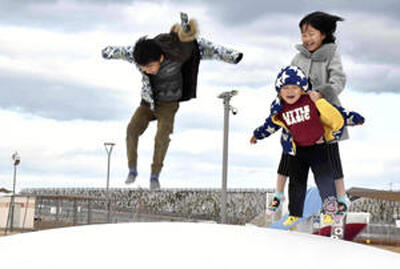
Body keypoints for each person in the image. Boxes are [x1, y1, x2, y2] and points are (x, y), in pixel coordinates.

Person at [102, 14, 243, 190]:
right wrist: (107, 52)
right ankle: (132, 169)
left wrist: (233, 56)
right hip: (148, 103)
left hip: (168, 105)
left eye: (150, 67)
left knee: (162, 135)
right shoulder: (143, 54)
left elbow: (209, 49)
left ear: (161, 58)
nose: (148, 71)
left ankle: (155, 174)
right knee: (131, 129)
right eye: (143, 69)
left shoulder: (181, 53)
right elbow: (123, 52)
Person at [250, 65, 364, 225]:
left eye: (294, 88)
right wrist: (258, 134)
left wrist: (353, 118)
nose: (290, 92)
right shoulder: (279, 108)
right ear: (279, 91)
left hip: (318, 148)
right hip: (298, 150)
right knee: (296, 183)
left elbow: (335, 113)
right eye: (285, 88)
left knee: (324, 180)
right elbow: (270, 125)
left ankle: (329, 211)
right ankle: (294, 213)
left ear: (302, 88)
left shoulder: (311, 100)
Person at [267, 11, 351, 216]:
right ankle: (279, 193)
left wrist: (321, 93)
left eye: (311, 34)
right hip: (299, 116)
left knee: (330, 158)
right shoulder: (298, 58)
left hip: (325, 115)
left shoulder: (331, 55)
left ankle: (339, 199)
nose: (307, 39)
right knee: (290, 150)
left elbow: (339, 79)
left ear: (323, 34)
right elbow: (288, 82)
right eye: (304, 35)